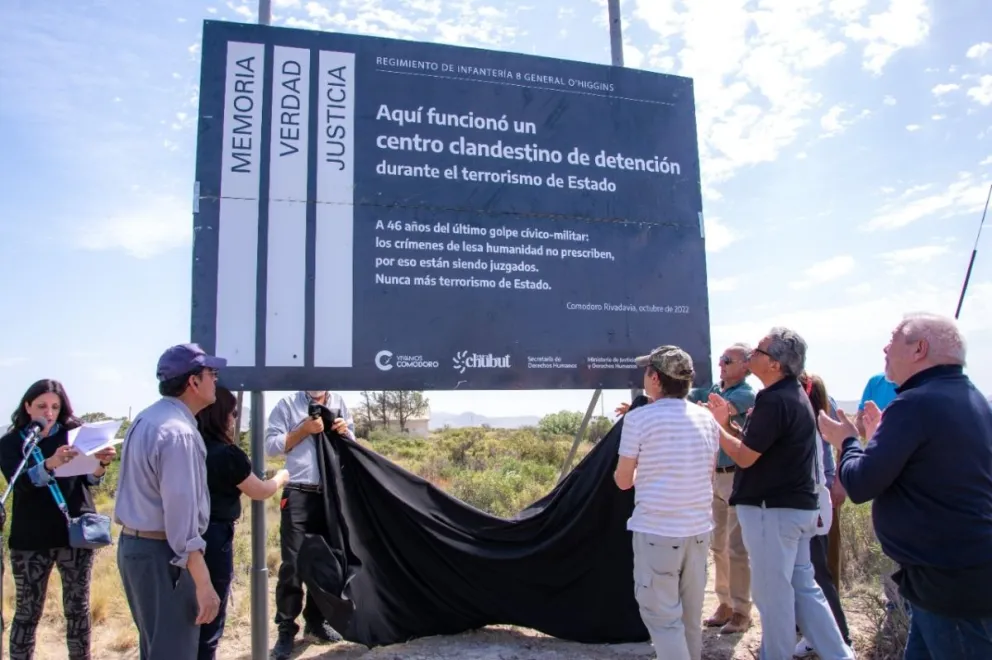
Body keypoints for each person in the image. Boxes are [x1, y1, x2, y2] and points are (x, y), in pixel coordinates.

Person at [818, 312, 992, 658]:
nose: (885, 347)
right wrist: (886, 436)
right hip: (955, 573)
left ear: (920, 349)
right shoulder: (973, 398)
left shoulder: (914, 404)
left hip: (946, 581)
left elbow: (861, 483)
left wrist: (848, 441)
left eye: (893, 338)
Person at [707, 327, 854, 660]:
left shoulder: (774, 399)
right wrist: (727, 423)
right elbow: (756, 444)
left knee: (773, 596)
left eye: (757, 352)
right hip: (794, 510)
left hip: (772, 511)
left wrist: (713, 428)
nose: (751, 357)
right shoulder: (791, 395)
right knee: (804, 589)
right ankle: (839, 654)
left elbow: (744, 456)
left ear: (774, 364)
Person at [114, 343, 225, 658]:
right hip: (164, 557)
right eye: (211, 373)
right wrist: (204, 584)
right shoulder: (179, 434)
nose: (215, 380)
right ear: (193, 382)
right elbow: (182, 519)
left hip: (136, 550)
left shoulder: (148, 419)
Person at [614, 345, 719, 660]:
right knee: (690, 618)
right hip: (698, 531)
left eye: (647, 371)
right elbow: (709, 473)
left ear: (656, 379)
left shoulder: (639, 420)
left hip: (658, 531)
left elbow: (622, 480)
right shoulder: (707, 420)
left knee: (662, 619)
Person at [0, 379, 117, 660]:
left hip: (75, 535)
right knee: (27, 613)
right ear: (27, 407)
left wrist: (100, 463)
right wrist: (50, 463)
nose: (49, 412)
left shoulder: (75, 435)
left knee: (77, 611)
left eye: (55, 406)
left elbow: (90, 481)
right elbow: (22, 485)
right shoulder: (11, 442)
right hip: (31, 538)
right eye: (42, 406)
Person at [194, 386, 290, 660]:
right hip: (214, 538)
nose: (235, 419)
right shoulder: (227, 454)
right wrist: (281, 477)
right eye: (233, 413)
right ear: (220, 415)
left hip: (182, 537)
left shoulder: (192, 445)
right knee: (211, 615)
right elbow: (260, 491)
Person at [265, 390, 355, 659]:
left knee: (326, 560)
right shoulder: (287, 405)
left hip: (330, 494)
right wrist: (302, 430)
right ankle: (285, 629)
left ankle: (316, 623)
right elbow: (269, 446)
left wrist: (344, 431)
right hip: (298, 492)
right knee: (292, 563)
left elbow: (353, 442)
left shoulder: (339, 403)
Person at [688, 343, 756, 634]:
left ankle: (742, 610)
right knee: (718, 545)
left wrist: (701, 407)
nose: (722, 364)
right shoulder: (714, 388)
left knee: (736, 546)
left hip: (735, 476)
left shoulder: (745, 394)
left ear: (745, 366)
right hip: (713, 475)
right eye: (721, 360)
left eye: (728, 360)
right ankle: (725, 604)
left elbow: (717, 411)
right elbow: (685, 399)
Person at [795, 373, 851, 657]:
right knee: (811, 572)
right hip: (813, 499)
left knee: (818, 570)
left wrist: (837, 481)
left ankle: (839, 637)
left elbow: (839, 448)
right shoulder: (805, 416)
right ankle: (815, 633)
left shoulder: (811, 418)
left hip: (815, 500)